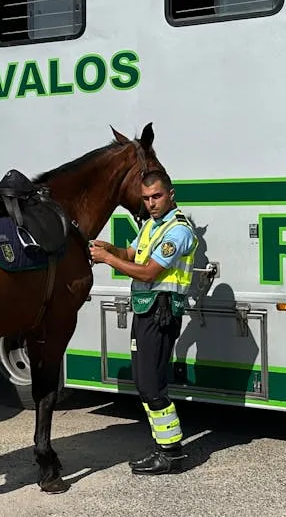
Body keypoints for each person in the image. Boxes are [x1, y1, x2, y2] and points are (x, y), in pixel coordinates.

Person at [88, 169, 198, 475]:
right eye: (146, 198)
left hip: (160, 312)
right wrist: (109, 248)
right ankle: (164, 448)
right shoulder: (152, 226)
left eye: (157, 196)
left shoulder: (178, 231)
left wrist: (108, 261)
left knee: (152, 385)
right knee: (144, 382)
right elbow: (133, 254)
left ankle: (171, 453)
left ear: (171, 195)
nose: (150, 203)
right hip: (146, 310)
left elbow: (149, 272)